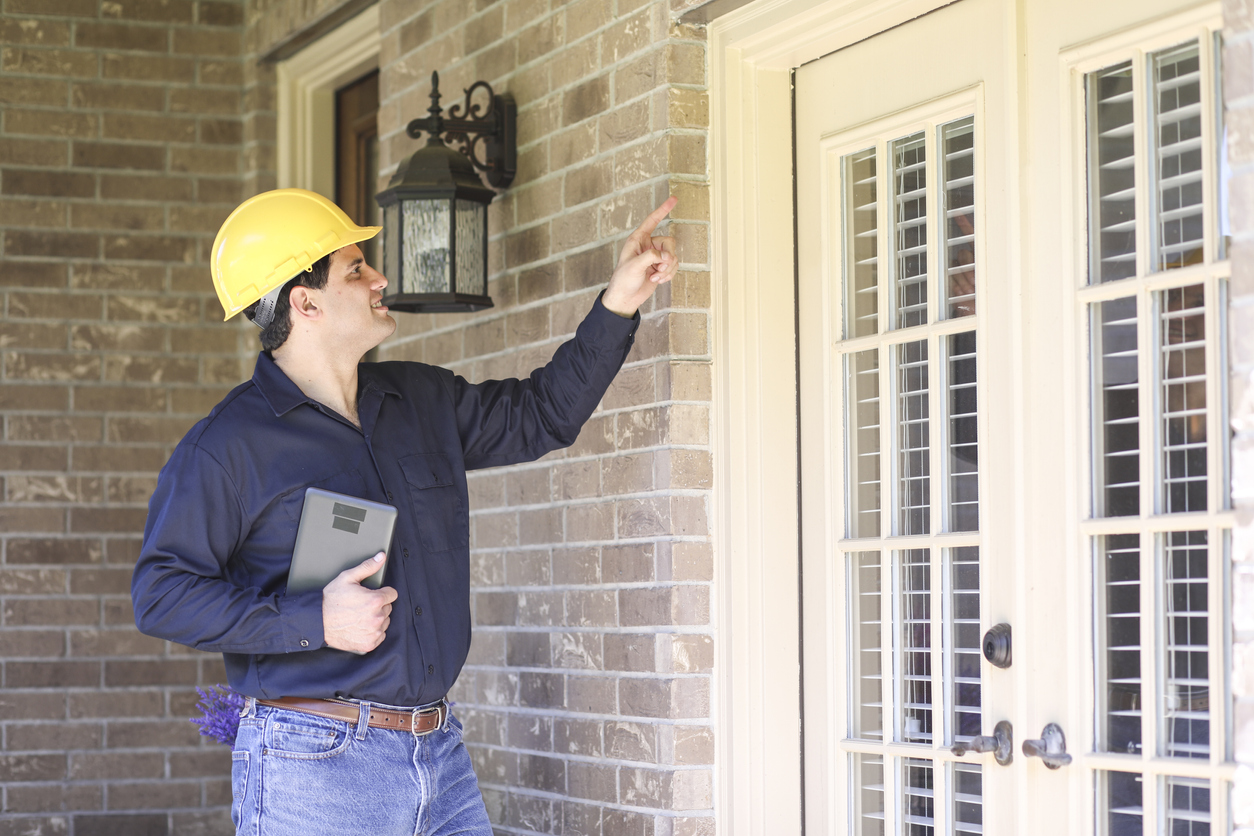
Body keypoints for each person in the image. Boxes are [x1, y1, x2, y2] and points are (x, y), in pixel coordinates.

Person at [130, 188, 678, 836]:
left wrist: (618, 304)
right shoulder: (228, 446)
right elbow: (161, 594)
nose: (379, 278)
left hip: (438, 755)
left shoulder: (420, 399)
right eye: (355, 269)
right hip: (314, 766)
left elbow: (541, 416)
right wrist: (314, 620)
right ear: (304, 303)